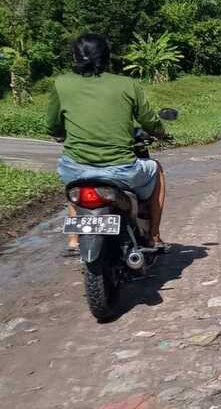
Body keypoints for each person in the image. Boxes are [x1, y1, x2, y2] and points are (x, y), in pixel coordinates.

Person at [46, 33, 169, 253]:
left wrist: (60, 133)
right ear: (106, 56)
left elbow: (53, 125)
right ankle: (153, 236)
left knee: (76, 182)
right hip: (121, 169)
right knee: (157, 170)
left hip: (75, 167)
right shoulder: (127, 84)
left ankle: (74, 240)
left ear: (75, 57)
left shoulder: (61, 83)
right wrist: (161, 133)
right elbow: (150, 121)